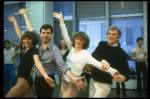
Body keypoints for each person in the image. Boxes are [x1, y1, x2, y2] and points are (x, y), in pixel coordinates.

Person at [12, 7, 87, 98]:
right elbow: (31, 27)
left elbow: (62, 65)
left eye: (48, 33)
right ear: (40, 34)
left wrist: (74, 78)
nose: (45, 35)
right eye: (43, 32)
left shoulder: (55, 50)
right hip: (37, 78)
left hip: (49, 79)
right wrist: (25, 15)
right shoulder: (38, 42)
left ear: (51, 34)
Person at [53, 12, 120, 98]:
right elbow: (65, 35)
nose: (78, 41)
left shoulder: (86, 54)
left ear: (85, 42)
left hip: (74, 82)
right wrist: (61, 20)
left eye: (81, 40)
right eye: (76, 39)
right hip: (64, 80)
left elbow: (98, 64)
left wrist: (113, 71)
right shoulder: (71, 48)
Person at [6, 17, 56, 97]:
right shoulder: (24, 47)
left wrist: (46, 76)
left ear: (33, 40)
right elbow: (19, 33)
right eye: (24, 39)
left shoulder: (34, 49)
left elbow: (37, 62)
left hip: (25, 79)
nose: (26, 41)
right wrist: (15, 21)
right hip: (21, 78)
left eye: (29, 39)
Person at [90, 25, 130, 98]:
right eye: (109, 34)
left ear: (118, 37)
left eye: (114, 34)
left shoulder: (121, 52)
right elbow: (93, 55)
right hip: (92, 80)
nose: (110, 36)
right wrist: (103, 60)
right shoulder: (102, 44)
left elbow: (126, 71)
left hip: (105, 84)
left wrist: (124, 77)